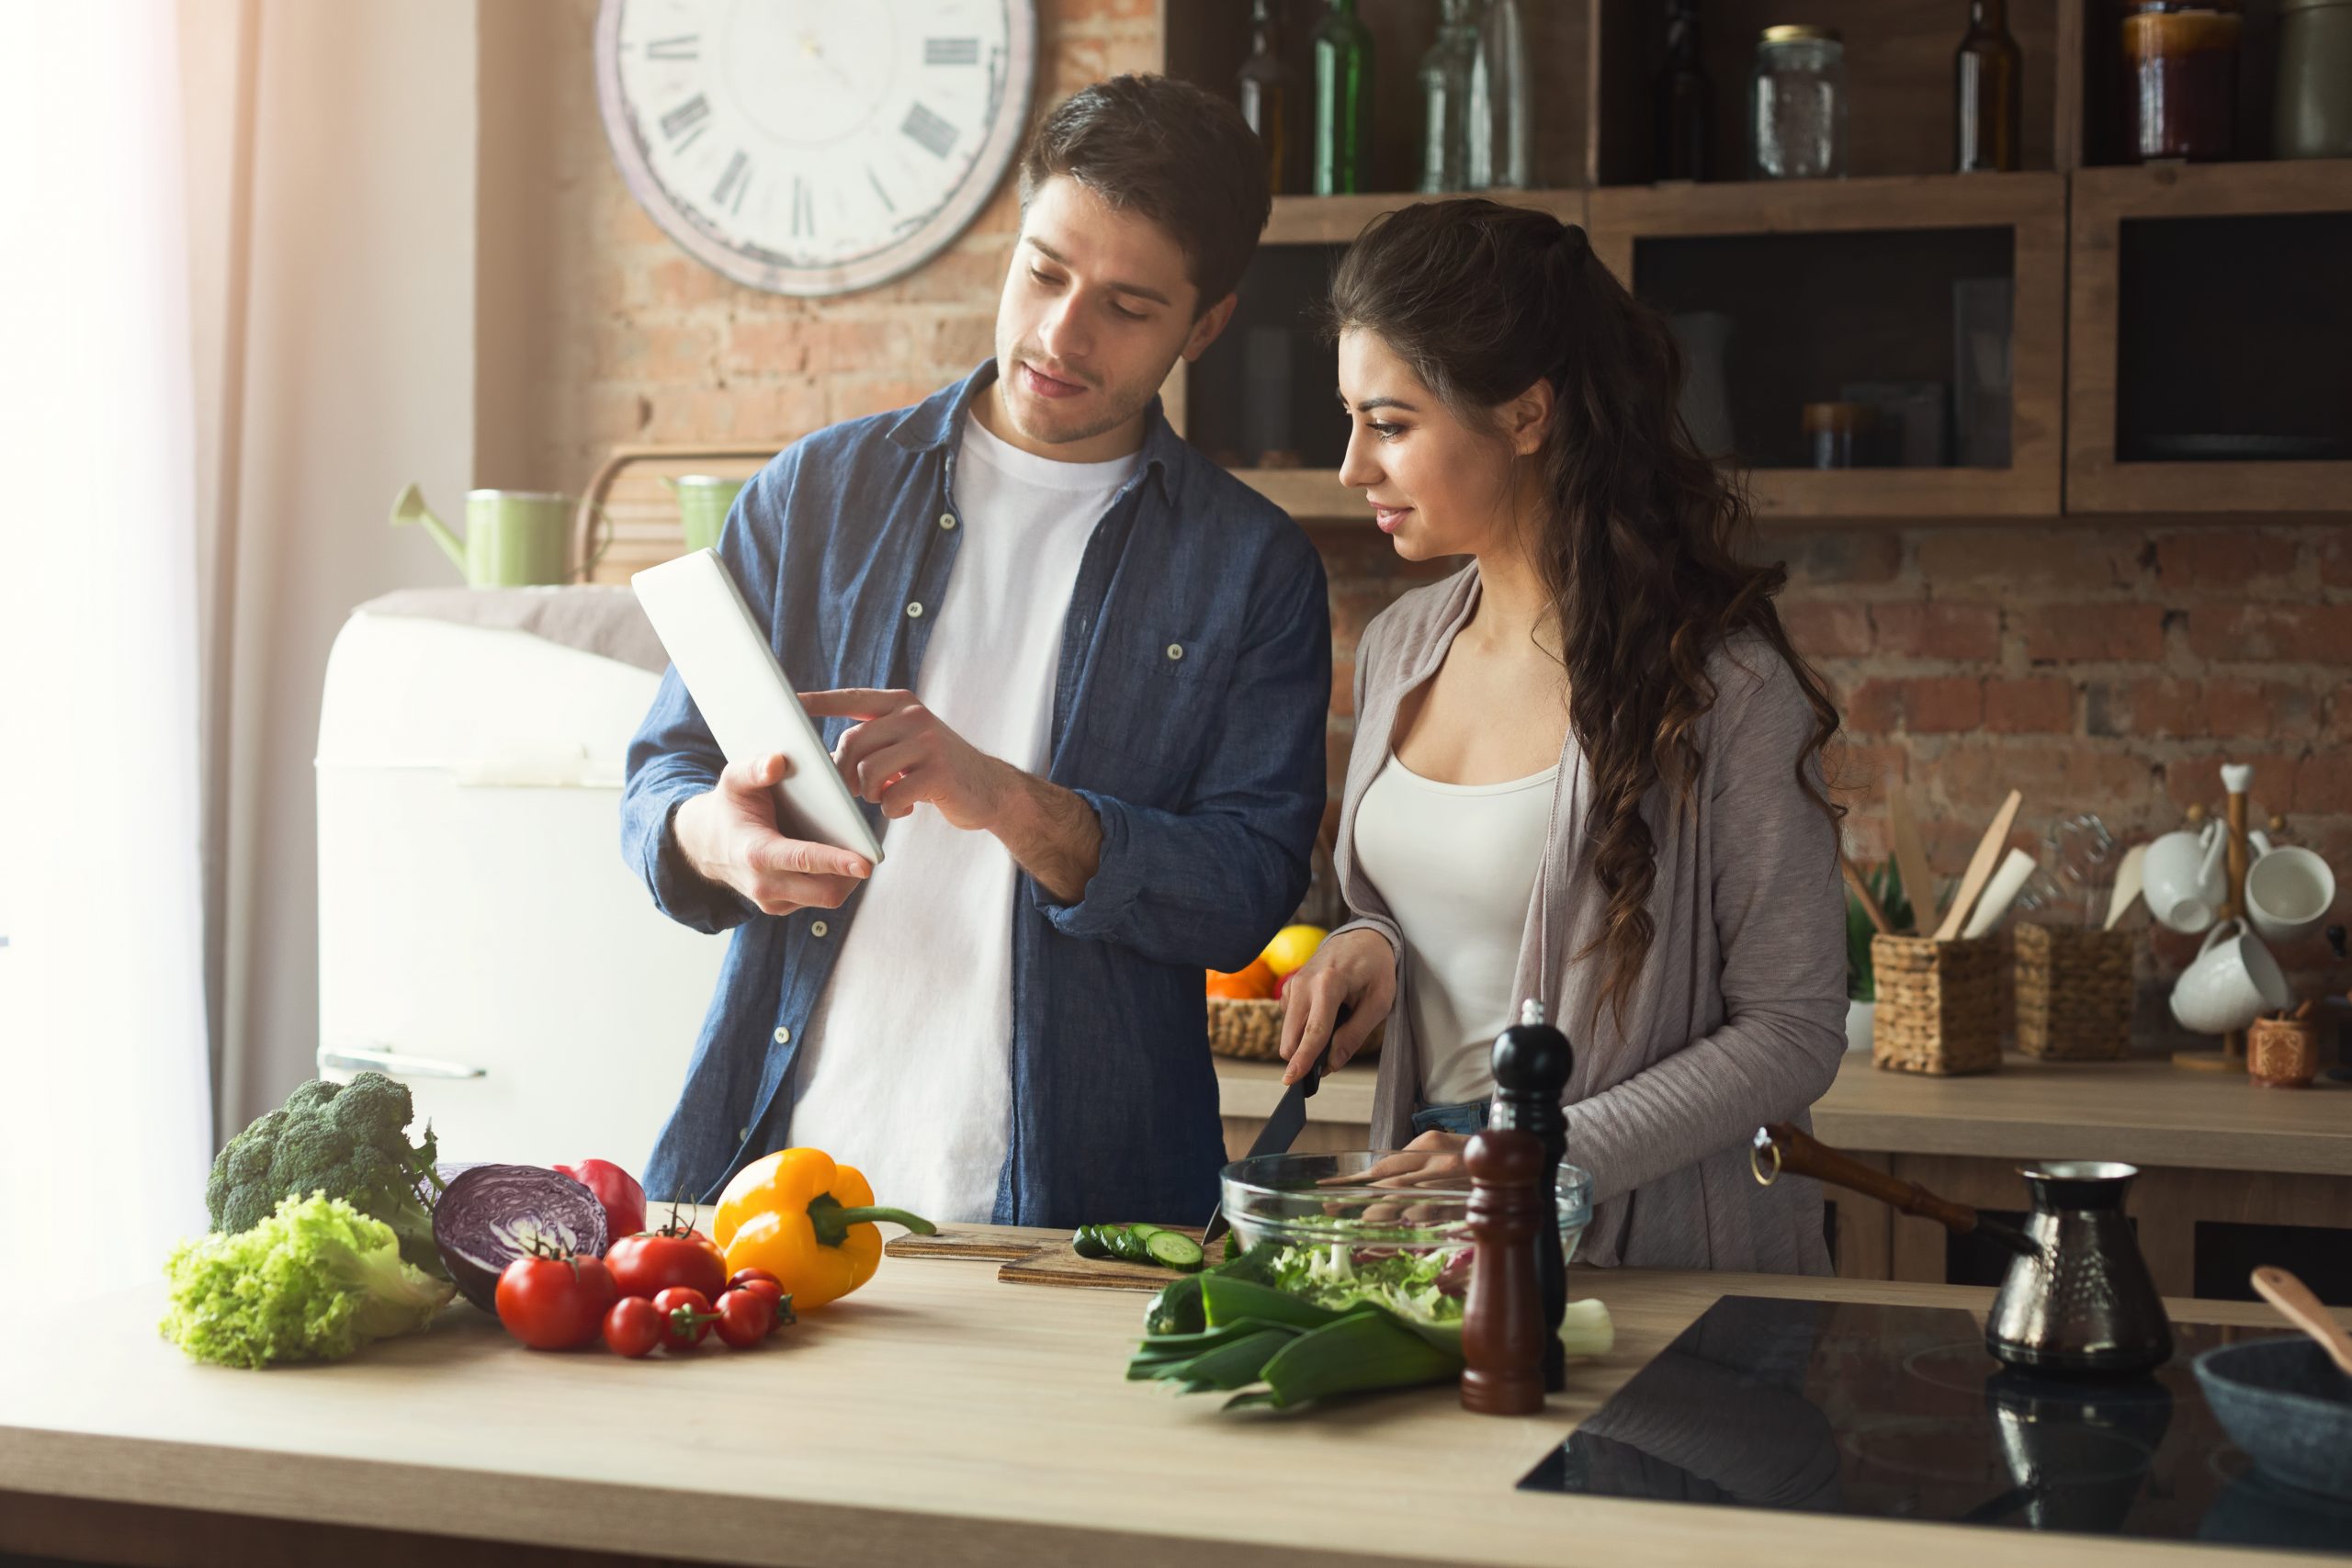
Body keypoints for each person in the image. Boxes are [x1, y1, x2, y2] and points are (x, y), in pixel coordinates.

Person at [620, 76, 1329, 1229]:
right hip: (771, 1171)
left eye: (1127, 305)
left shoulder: (1254, 569)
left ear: (1205, 325)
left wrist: (1004, 798)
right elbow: (664, 768)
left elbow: (1245, 894)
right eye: (1045, 272)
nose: (1061, 334)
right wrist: (716, 834)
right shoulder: (819, 491)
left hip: (1083, 1210)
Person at [1278, 198, 1846, 1273]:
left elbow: (1793, 1033)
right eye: (1351, 418)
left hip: (1649, 1250)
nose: (1353, 466)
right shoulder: (1403, 644)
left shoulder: (1721, 685)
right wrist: (1372, 944)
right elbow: (1443, 915)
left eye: (1390, 425)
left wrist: (1534, 1154)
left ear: (1529, 414)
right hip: (1430, 1225)